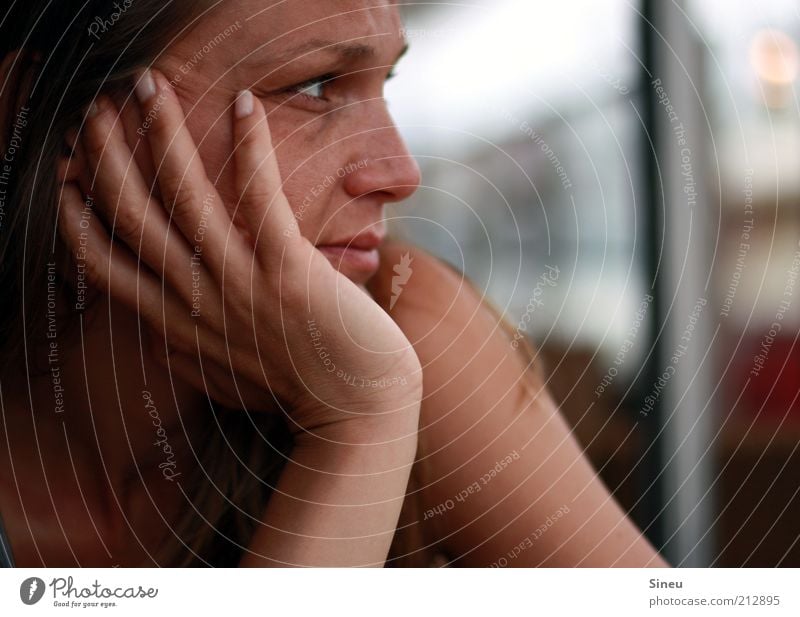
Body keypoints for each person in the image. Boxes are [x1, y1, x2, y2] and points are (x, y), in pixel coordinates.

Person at [0, 0, 669, 567]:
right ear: (44, 109)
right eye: (316, 86)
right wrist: (360, 430)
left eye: (385, 82)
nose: (399, 171)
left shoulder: (406, 331)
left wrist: (365, 411)